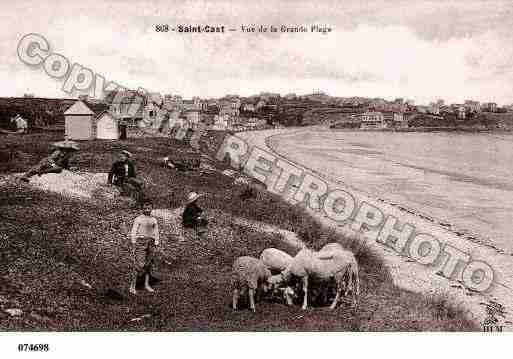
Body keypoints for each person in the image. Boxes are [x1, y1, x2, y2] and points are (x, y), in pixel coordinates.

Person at [129, 201, 160, 294]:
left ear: (151, 208)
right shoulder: (138, 219)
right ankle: (132, 286)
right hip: (141, 242)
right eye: (145, 208)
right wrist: (134, 242)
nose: (147, 210)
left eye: (149, 208)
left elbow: (156, 231)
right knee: (139, 265)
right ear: (142, 209)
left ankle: (146, 284)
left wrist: (156, 241)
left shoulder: (154, 219)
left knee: (148, 264)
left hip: (151, 242)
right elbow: (134, 231)